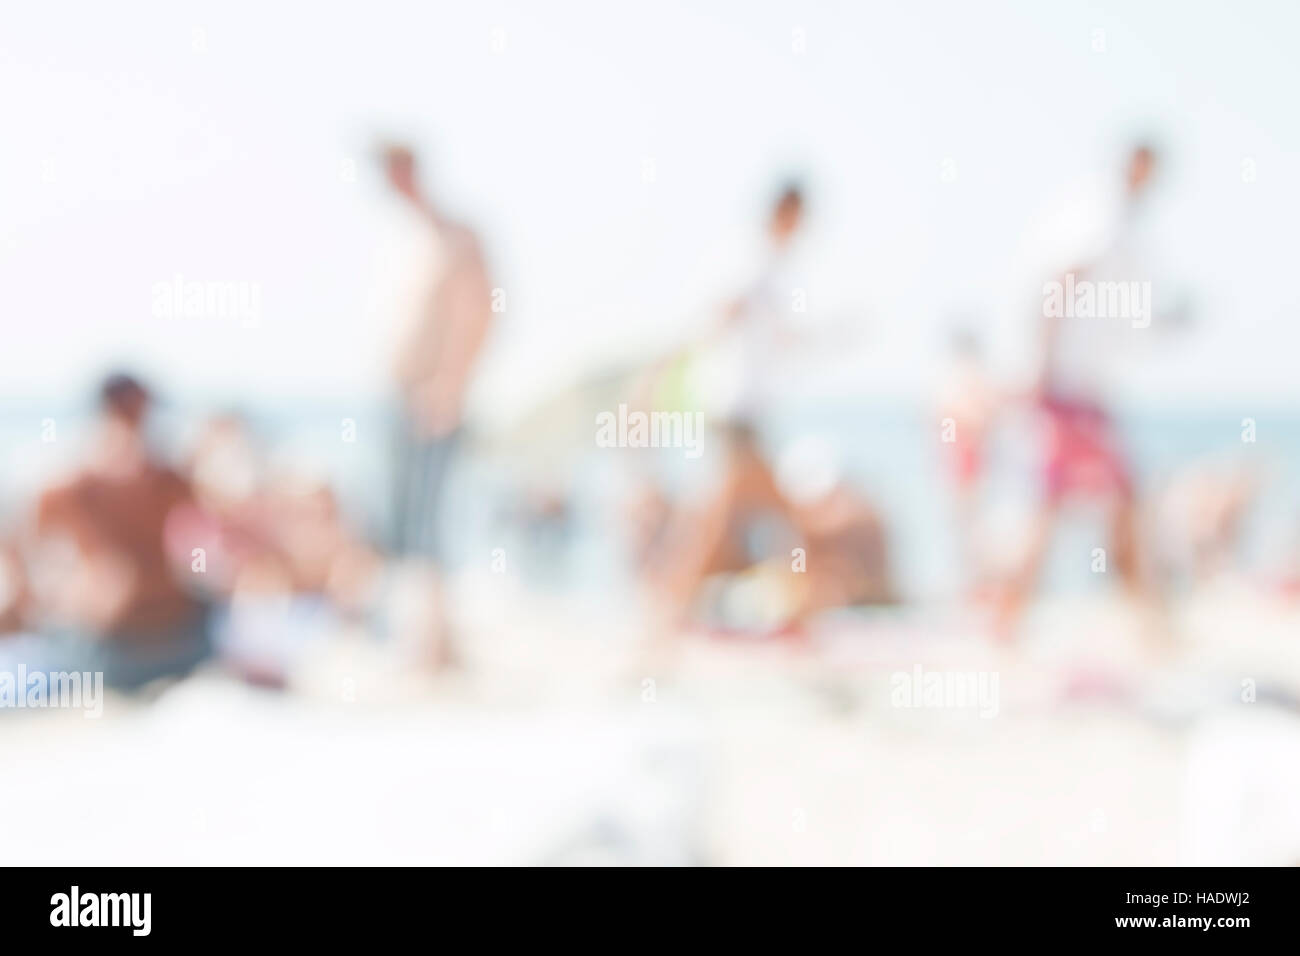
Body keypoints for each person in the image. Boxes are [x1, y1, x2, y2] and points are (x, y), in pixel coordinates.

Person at [996, 144, 1170, 639]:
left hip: (1078, 389)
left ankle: (1147, 622)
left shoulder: (1109, 218)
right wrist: (1040, 369)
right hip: (1068, 389)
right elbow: (1062, 282)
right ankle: (1149, 623)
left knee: (1080, 504)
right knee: (1098, 503)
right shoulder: (1102, 217)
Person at [376, 143, 496, 665]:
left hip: (434, 400)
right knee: (405, 522)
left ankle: (435, 644)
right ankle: (429, 640)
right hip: (403, 397)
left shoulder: (454, 236)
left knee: (431, 520)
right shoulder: (409, 239)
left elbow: (480, 311)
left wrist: (450, 385)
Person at [23, 373, 210, 687]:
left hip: (151, 636)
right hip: (129, 638)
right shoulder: (165, 480)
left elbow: (32, 555)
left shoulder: (69, 485)